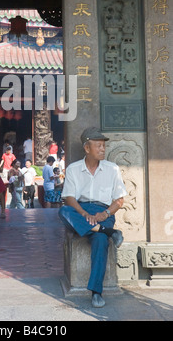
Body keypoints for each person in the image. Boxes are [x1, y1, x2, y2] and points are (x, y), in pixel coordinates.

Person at [58, 127, 127, 308]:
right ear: (87, 148)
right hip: (81, 210)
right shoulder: (74, 169)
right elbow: (69, 197)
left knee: (100, 240)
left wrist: (105, 214)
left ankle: (96, 292)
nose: (103, 149)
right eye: (99, 146)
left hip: (104, 212)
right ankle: (109, 232)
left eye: (104, 146)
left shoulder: (112, 169)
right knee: (64, 211)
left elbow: (119, 200)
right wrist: (84, 213)